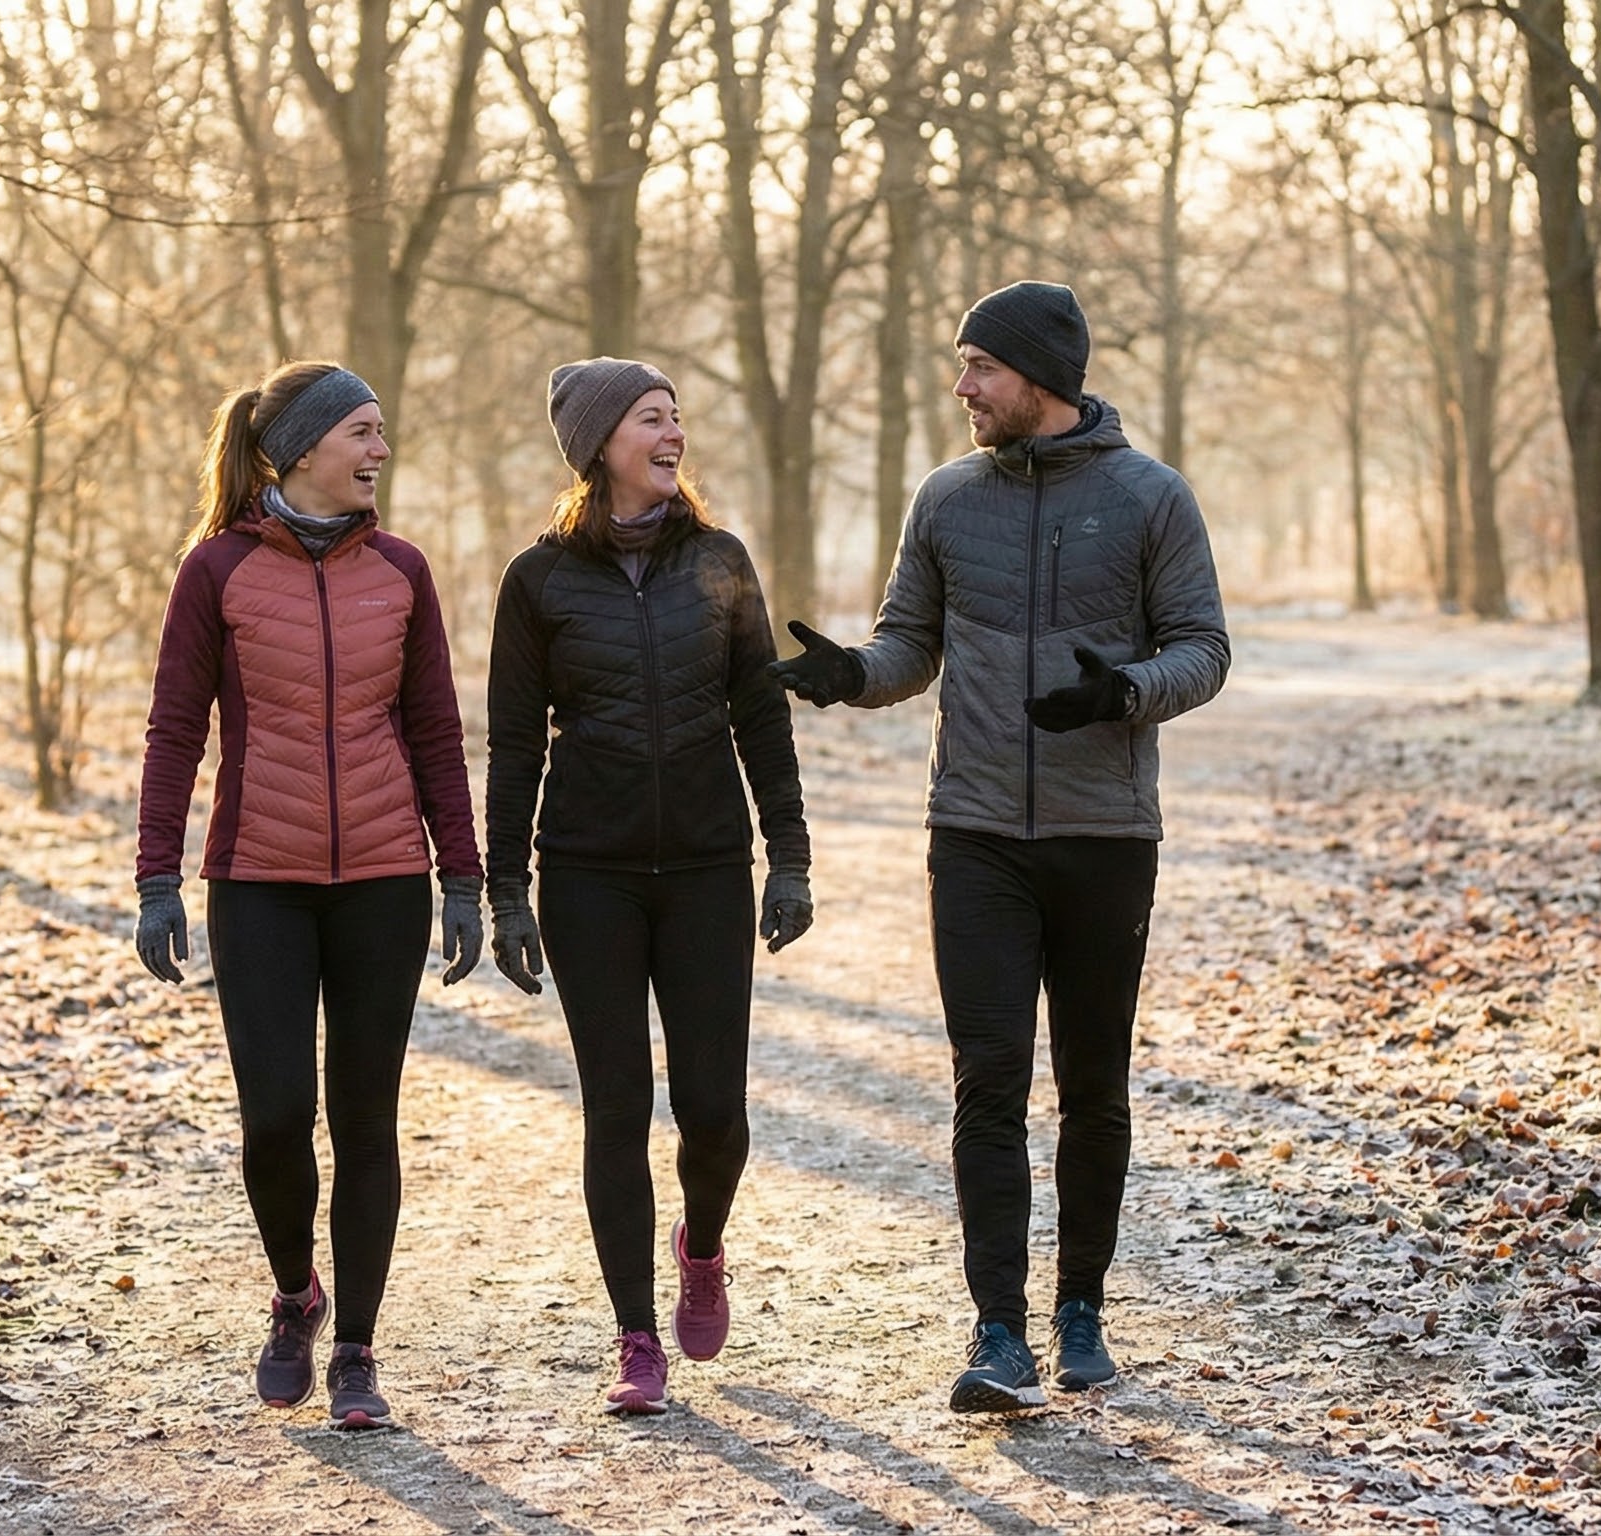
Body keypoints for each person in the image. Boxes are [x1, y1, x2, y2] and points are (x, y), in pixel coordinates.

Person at [768, 282, 1230, 1412]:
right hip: (973, 832)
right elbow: (906, 646)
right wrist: (848, 679)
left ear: (1040, 378)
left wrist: (1120, 691)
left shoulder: (1148, 498)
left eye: (978, 366)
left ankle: (1081, 1312)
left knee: (1093, 1087)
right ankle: (997, 1334)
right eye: (959, 365)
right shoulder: (945, 498)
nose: (961, 387)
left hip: (1103, 836)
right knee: (987, 1083)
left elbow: (1204, 650)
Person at [133, 360, 485, 1430]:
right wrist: (157, 877)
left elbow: (432, 727)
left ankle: (359, 1354)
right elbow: (174, 729)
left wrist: (461, 875)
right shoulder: (217, 572)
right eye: (363, 432)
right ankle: (296, 1296)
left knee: (364, 1118)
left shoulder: (403, 572)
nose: (380, 450)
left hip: (382, 880)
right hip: (259, 884)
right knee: (277, 1118)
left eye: (382, 433)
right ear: (299, 449)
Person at [486, 358, 814, 1416]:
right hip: (589, 874)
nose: (672, 433)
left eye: (676, 417)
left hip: (711, 869)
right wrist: (503, 890)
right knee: (616, 1107)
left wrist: (790, 855)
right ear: (598, 445)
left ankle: (701, 1245)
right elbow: (508, 746)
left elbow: (761, 716)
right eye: (648, 418)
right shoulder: (537, 581)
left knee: (712, 1113)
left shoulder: (719, 562)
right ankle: (633, 1335)